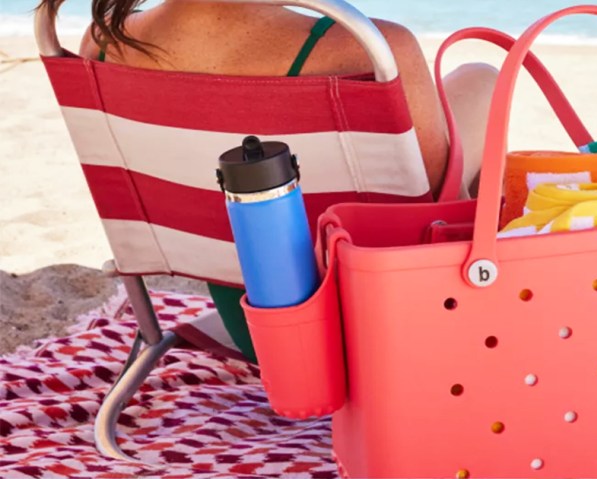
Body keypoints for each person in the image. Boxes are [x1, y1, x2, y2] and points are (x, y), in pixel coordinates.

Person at [36, 0, 497, 362]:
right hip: (379, 337)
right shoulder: (367, 46)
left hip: (253, 328)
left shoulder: (106, 43)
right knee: (481, 82)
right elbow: (433, 218)